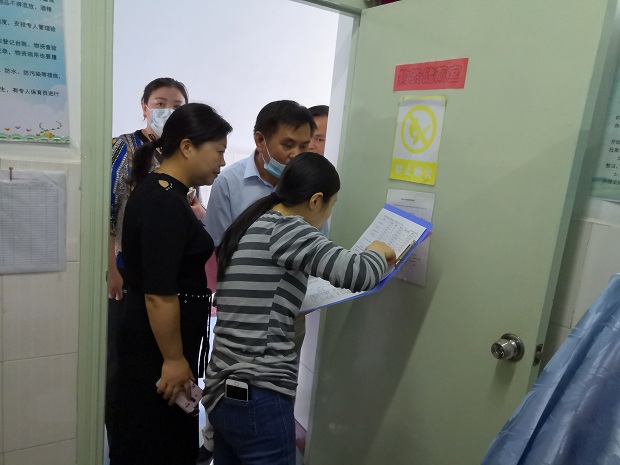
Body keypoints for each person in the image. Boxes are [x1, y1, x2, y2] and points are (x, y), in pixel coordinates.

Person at [202, 152, 395, 465]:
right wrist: (378, 250)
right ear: (316, 200)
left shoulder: (255, 223)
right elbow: (358, 274)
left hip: (224, 389)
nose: (329, 213)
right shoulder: (289, 229)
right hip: (258, 391)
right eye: (332, 204)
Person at [108, 103, 232, 465]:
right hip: (156, 347)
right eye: (218, 151)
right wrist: (174, 359)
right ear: (188, 147)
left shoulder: (169, 193)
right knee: (156, 441)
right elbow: (160, 295)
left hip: (161, 341)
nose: (222, 162)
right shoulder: (163, 201)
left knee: (165, 437)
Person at [106, 77, 190, 448]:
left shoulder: (182, 153)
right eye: (160, 103)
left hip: (166, 275)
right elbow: (106, 213)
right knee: (122, 362)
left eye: (177, 105)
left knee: (160, 360)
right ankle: (120, 440)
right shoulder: (122, 147)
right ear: (144, 106)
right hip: (125, 272)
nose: (167, 111)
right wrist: (111, 270)